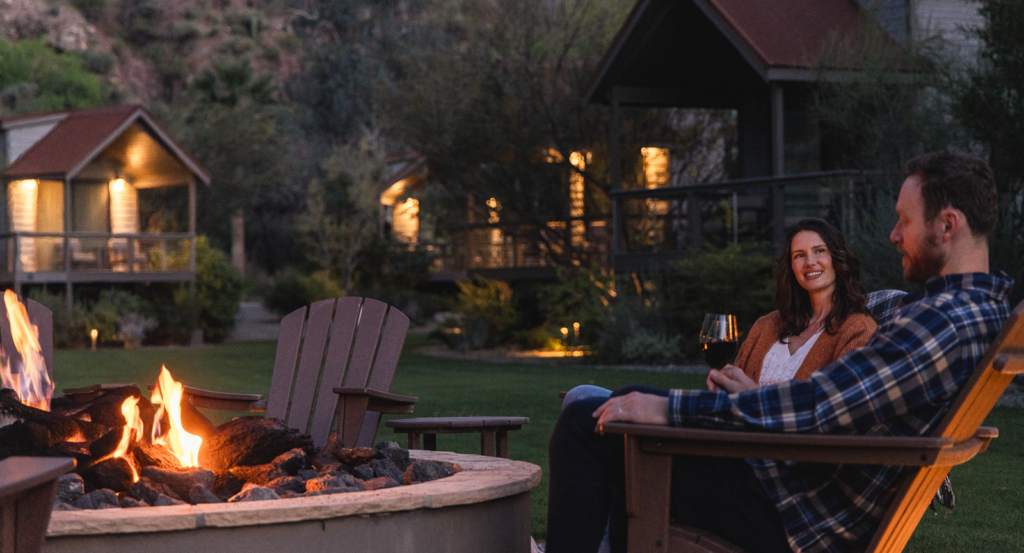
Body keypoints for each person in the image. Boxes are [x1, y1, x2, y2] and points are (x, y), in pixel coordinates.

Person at [546, 150, 1013, 553]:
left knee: (589, 423)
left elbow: (819, 404)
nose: (894, 234)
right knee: (617, 407)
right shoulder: (976, 312)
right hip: (802, 489)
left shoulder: (941, 323)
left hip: (798, 516)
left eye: (905, 221)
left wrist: (672, 409)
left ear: (947, 225)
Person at [707, 218, 876, 393]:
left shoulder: (859, 331)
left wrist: (753, 396)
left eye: (819, 251)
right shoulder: (764, 326)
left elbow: (840, 408)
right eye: (799, 255)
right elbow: (733, 389)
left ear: (837, 258)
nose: (810, 262)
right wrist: (723, 386)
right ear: (791, 266)